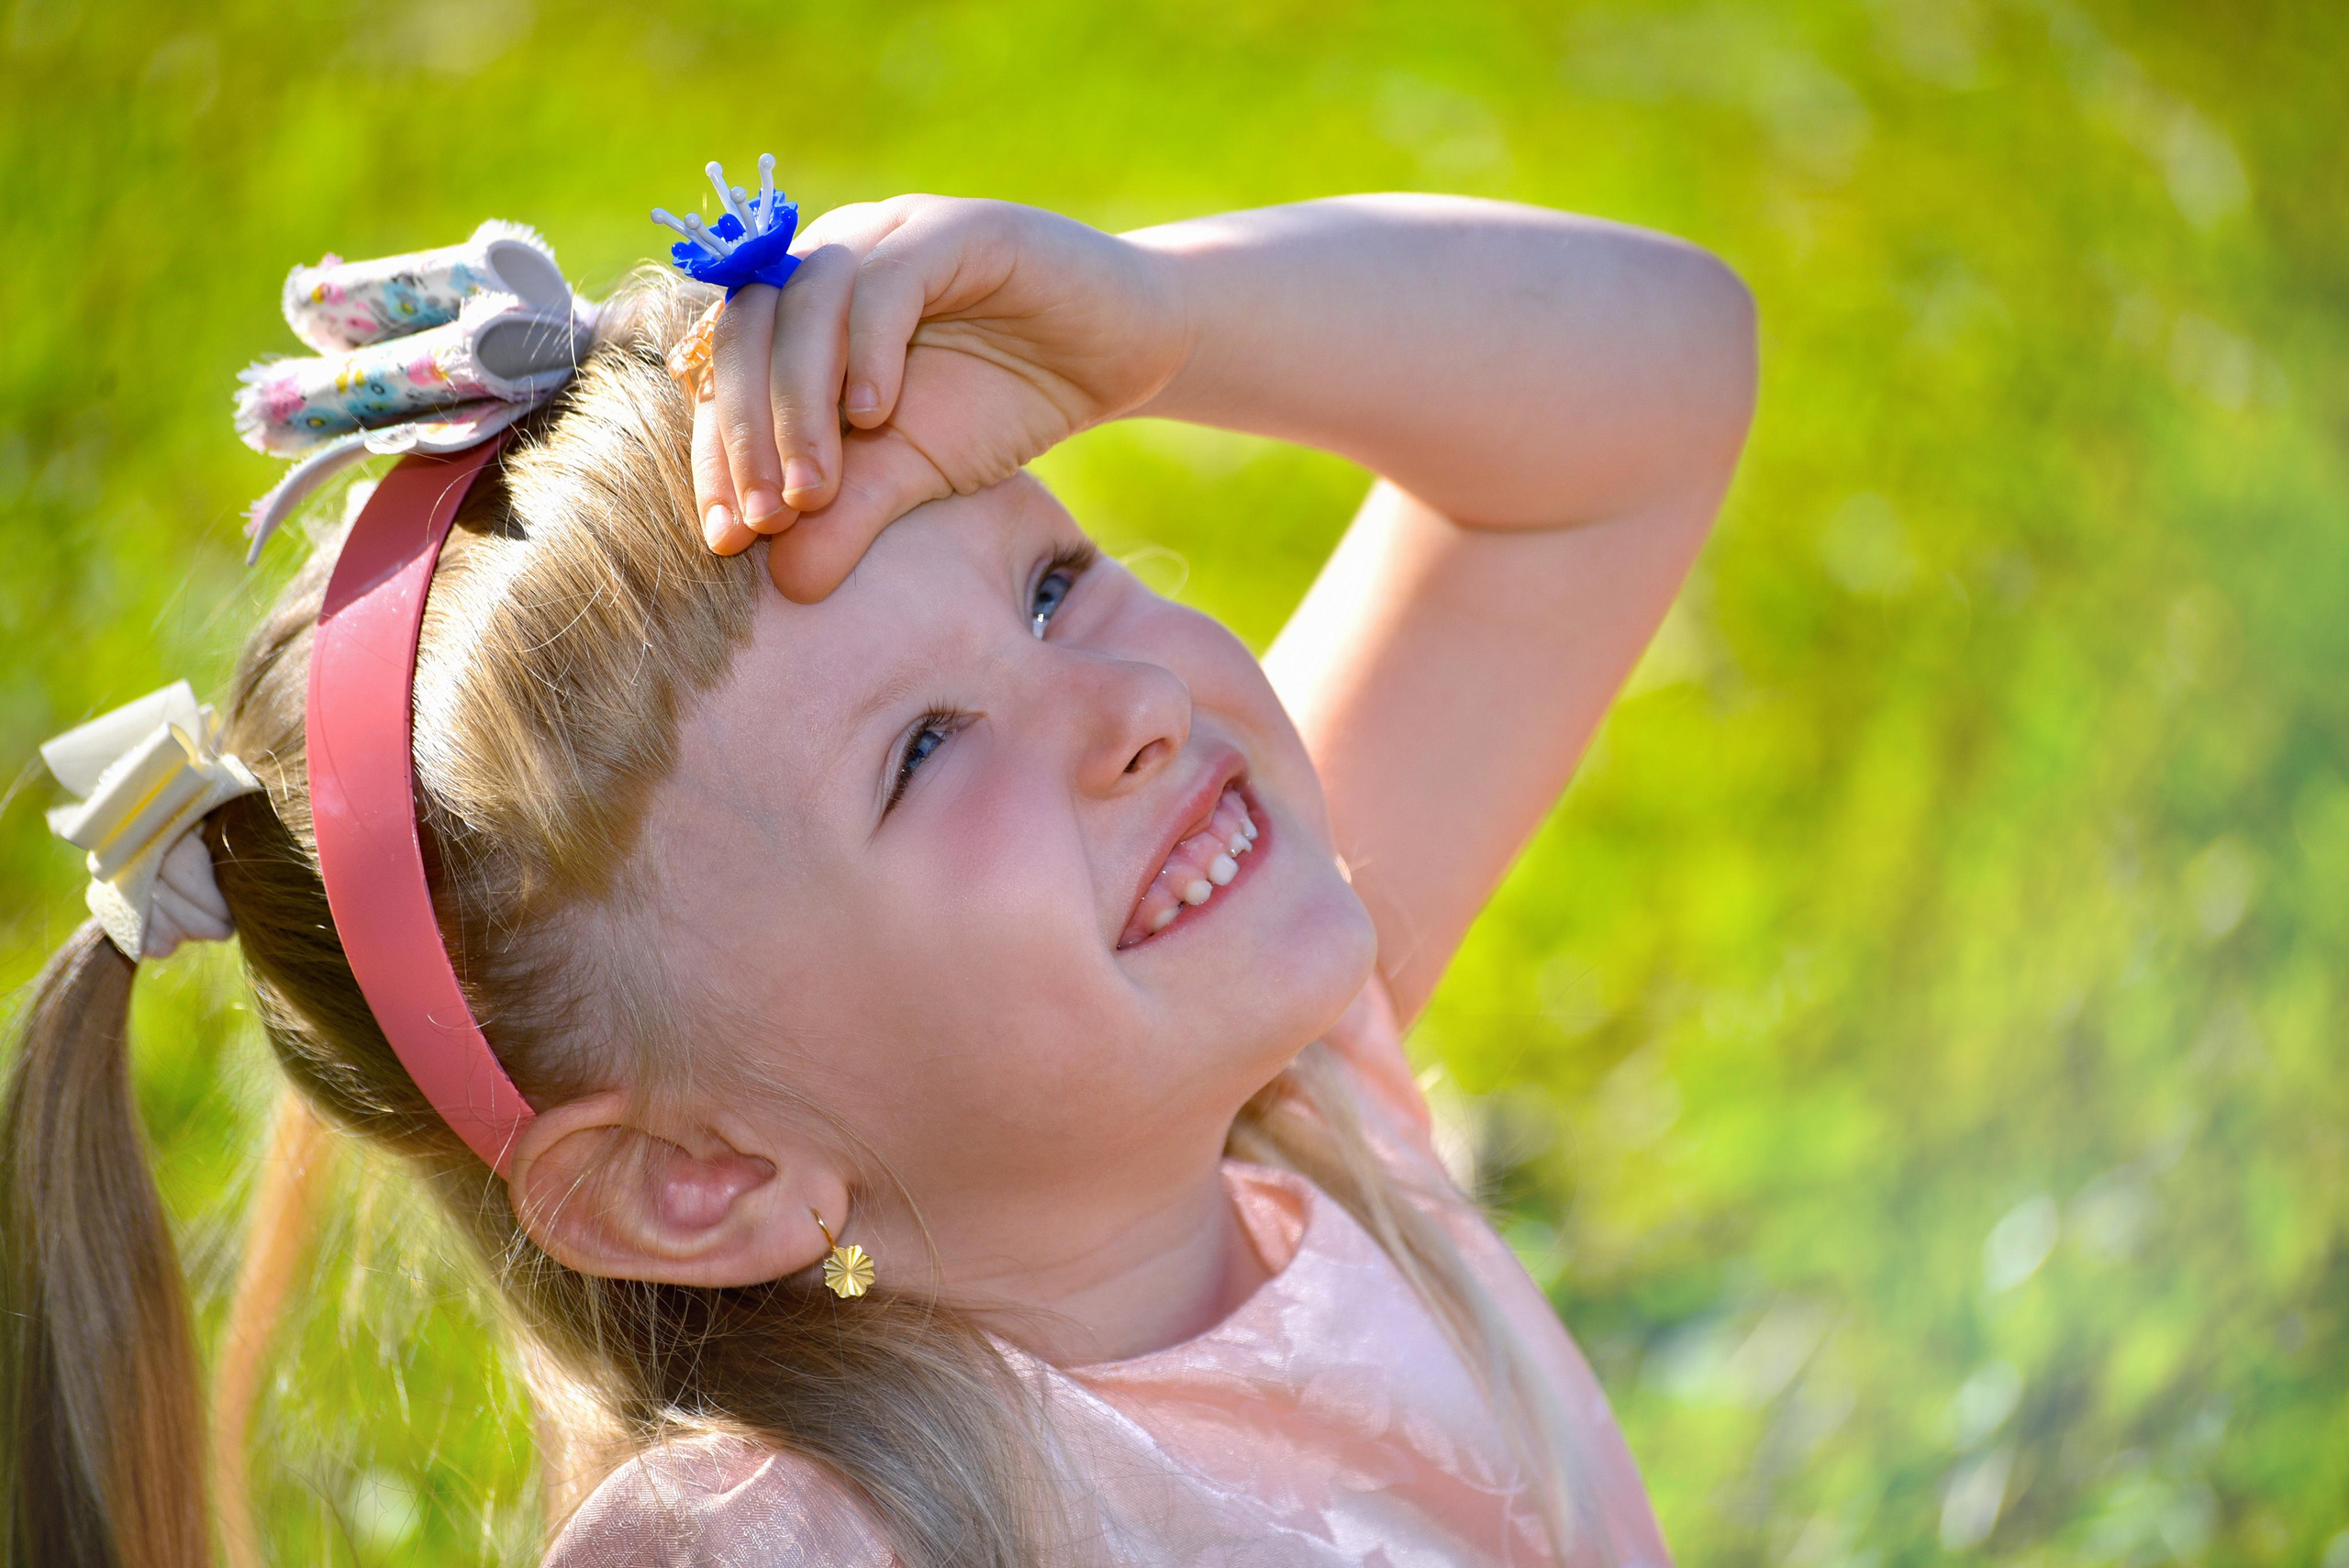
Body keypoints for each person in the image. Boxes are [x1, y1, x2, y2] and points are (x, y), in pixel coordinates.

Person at [1, 186, 1753, 1568]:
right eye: (924, 750)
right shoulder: (804, 1541)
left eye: (1051, 585)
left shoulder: (1299, 1105)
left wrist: (1161, 318)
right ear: (700, 1174)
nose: (1132, 707)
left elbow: (1661, 384)